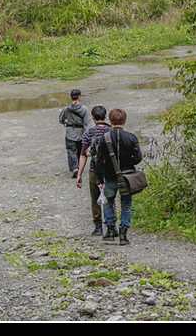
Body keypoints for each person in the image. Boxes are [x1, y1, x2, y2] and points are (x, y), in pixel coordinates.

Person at [92, 108, 142, 245]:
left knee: (108, 203)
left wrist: (99, 179)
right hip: (127, 177)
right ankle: (123, 233)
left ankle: (109, 230)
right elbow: (138, 158)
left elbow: (99, 160)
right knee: (126, 204)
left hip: (109, 177)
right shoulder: (131, 137)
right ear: (125, 121)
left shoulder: (104, 138)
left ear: (110, 121)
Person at [76, 105, 113, 235]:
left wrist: (79, 174)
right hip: (110, 169)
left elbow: (83, 154)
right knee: (111, 197)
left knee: (94, 197)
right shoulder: (111, 130)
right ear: (105, 116)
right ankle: (111, 225)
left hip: (94, 169)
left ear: (92, 117)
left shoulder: (88, 133)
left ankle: (98, 226)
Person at [58, 89, 89, 177]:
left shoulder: (67, 109)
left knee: (71, 150)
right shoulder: (84, 109)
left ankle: (74, 168)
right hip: (81, 133)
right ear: (79, 97)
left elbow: (61, 119)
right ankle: (79, 166)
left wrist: (66, 123)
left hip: (70, 132)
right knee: (80, 150)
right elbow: (87, 123)